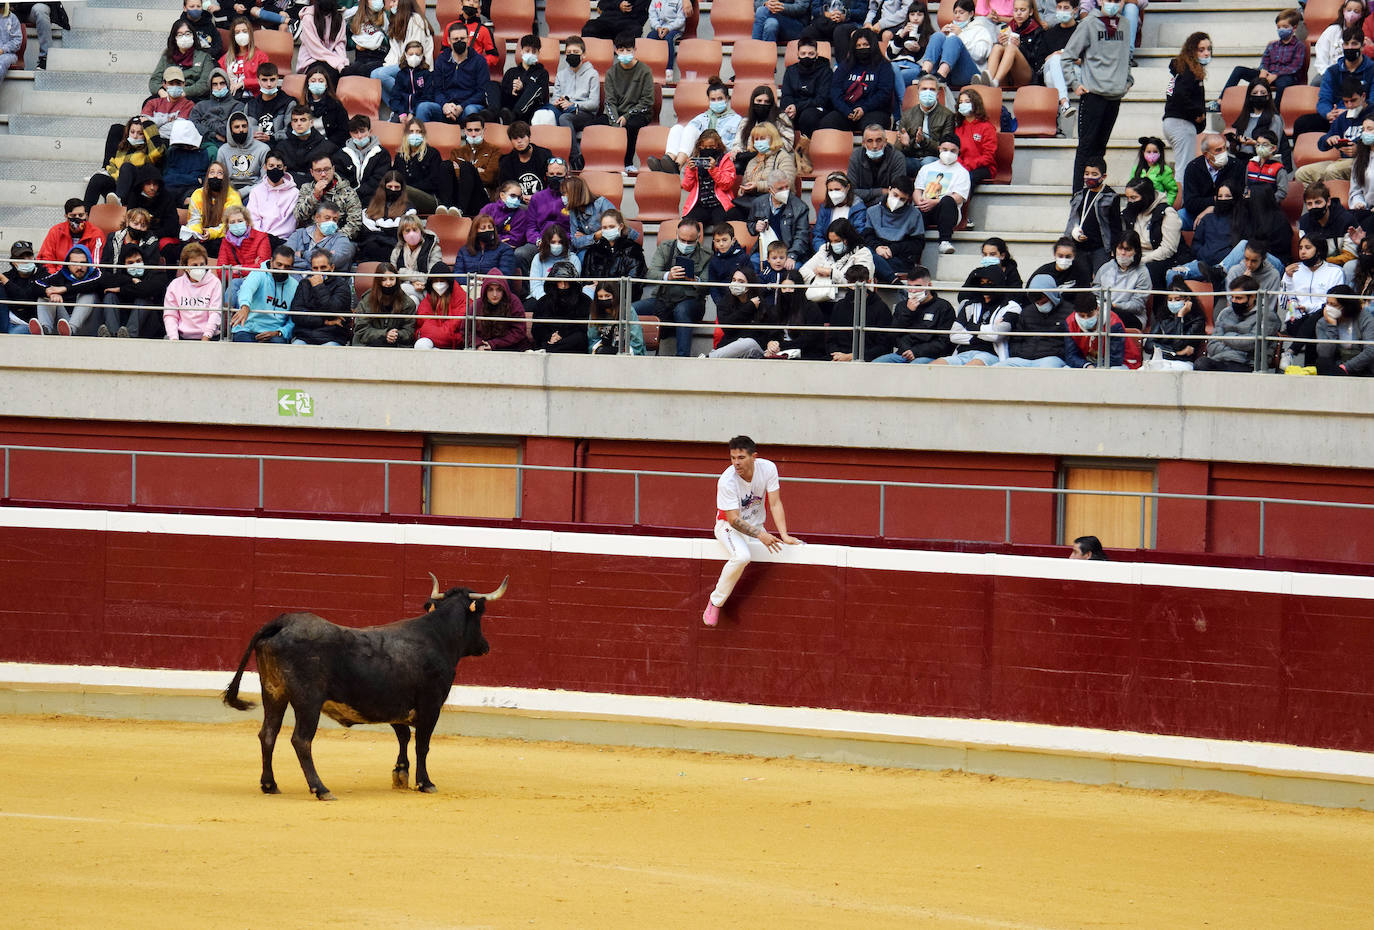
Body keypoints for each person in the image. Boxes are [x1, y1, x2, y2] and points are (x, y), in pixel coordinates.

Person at [703, 435, 801, 626]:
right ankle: (715, 602)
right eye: (732, 458)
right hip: (728, 528)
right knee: (741, 557)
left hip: (756, 527)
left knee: (787, 549)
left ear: (754, 457)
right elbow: (733, 519)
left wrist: (784, 534)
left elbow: (775, 502)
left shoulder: (768, 468)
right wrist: (761, 535)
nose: (736, 463)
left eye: (741, 458)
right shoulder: (726, 481)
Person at [1064, 0, 1132, 194]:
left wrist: (1127, 80)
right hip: (1093, 95)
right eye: (1109, 0)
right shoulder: (1089, 23)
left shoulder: (1125, 24)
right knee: (1086, 147)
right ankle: (1077, 195)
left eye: (1117, 0)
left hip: (1114, 95)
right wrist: (1075, 84)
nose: (1113, 3)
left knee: (1101, 148)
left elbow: (1126, 55)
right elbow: (1067, 56)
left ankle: (1094, 192)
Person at [635, 217, 711, 356]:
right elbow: (650, 273)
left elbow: (708, 287)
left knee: (681, 311)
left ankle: (682, 358)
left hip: (691, 302)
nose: (686, 244)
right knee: (632, 310)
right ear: (676, 234)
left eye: (690, 241)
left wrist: (695, 280)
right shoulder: (665, 247)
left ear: (698, 238)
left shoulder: (707, 255)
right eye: (682, 240)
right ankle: (633, 351)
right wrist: (667, 276)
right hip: (663, 299)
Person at [1295, 27, 1374, 139]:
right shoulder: (1332, 71)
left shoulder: (1372, 69)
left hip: (1364, 115)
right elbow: (1323, 100)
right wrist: (1328, 113)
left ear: (1362, 47)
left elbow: (1372, 101)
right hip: (1336, 116)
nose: (1350, 47)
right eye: (1346, 44)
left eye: (1354, 44)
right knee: (1302, 123)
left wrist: (1349, 111)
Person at [654, 77, 743, 174]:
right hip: (701, 152)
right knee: (677, 128)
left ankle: (677, 165)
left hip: (720, 154)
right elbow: (688, 135)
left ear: (726, 99)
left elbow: (737, 145)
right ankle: (669, 159)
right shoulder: (702, 117)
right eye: (713, 99)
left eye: (720, 99)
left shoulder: (737, 119)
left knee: (690, 129)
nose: (716, 102)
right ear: (708, 100)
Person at [1221, 8, 1305, 106]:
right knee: (1239, 70)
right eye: (1278, 27)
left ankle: (1275, 112)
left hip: (1285, 76)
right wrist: (1263, 71)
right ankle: (1221, 100)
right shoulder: (1272, 45)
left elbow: (1294, 66)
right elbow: (1265, 61)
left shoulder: (1299, 46)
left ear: (1294, 28)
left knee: (1282, 84)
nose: (1281, 29)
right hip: (1268, 74)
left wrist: (1276, 75)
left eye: (1285, 27)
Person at [873, 266, 955, 362]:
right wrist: (907, 312)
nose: (913, 291)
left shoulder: (943, 307)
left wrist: (916, 352)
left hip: (929, 355)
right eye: (910, 287)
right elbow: (892, 336)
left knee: (916, 365)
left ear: (929, 285)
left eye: (918, 287)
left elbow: (944, 341)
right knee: (878, 363)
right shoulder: (902, 306)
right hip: (902, 354)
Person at [822, 28, 896, 132]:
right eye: (858, 46)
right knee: (828, 122)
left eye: (866, 45)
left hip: (874, 111)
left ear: (872, 45)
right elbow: (835, 90)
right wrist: (846, 110)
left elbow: (884, 93)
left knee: (871, 128)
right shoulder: (845, 65)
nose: (862, 48)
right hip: (847, 111)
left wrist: (864, 108)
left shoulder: (883, 66)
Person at [1194, 275, 1273, 372]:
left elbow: (1252, 344)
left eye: (1239, 298)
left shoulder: (1267, 316)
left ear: (1252, 297)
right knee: (1201, 364)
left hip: (1247, 364)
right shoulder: (1226, 313)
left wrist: (1225, 337)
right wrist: (1234, 350)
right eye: (1232, 297)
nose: (1234, 301)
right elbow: (1212, 344)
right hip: (1221, 360)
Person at [418, 20, 491, 124]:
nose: (459, 41)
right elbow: (437, 89)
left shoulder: (479, 61)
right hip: (446, 108)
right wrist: (445, 105)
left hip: (468, 107)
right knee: (423, 107)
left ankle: (472, 139)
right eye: (455, 39)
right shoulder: (441, 60)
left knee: (471, 111)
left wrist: (461, 106)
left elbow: (481, 92)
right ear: (448, 41)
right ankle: (422, 139)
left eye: (462, 38)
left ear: (468, 39)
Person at [993, 272, 1071, 367]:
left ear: (1051, 294)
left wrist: (1058, 353)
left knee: (1046, 369)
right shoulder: (1027, 312)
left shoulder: (1069, 312)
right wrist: (1020, 353)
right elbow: (1016, 340)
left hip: (1051, 358)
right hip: (1024, 358)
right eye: (1035, 297)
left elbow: (1071, 343)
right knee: (998, 368)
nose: (1039, 302)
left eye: (1042, 296)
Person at [83, 117, 165, 207]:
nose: (135, 136)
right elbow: (111, 165)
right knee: (97, 178)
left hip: (135, 188)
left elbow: (158, 151)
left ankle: (119, 200)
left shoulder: (148, 151)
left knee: (126, 167)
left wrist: (148, 124)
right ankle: (85, 213)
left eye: (140, 133)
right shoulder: (123, 148)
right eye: (132, 132)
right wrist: (119, 176)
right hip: (118, 182)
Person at [603, 32, 655, 172]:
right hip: (617, 112)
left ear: (635, 50)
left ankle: (627, 163)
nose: (625, 53)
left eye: (628, 50)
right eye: (621, 50)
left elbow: (648, 101)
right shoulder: (611, 73)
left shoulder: (645, 71)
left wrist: (627, 116)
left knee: (631, 125)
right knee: (599, 124)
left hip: (639, 113)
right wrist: (615, 122)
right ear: (616, 51)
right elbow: (610, 102)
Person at [1162, 32, 1210, 183]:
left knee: (1184, 167)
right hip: (1181, 124)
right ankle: (1179, 205)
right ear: (1192, 51)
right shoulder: (1188, 70)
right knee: (1184, 170)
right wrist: (1198, 113)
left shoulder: (1182, 69)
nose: (1206, 53)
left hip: (1172, 122)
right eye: (1201, 50)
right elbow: (1180, 96)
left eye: (1209, 49)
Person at [913, 135, 971, 255]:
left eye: (952, 150)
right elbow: (917, 190)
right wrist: (920, 202)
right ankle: (915, 248)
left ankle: (945, 241)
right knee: (915, 212)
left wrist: (934, 202)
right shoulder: (926, 168)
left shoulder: (962, 172)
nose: (948, 153)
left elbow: (959, 198)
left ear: (958, 151)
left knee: (948, 200)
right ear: (939, 149)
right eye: (945, 149)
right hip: (925, 208)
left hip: (947, 211)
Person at [800, 218, 874, 312]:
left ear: (847, 238)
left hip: (849, 303)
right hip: (820, 298)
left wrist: (831, 273)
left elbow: (859, 282)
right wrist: (818, 279)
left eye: (837, 241)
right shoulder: (826, 248)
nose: (833, 244)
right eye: (831, 241)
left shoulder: (863, 253)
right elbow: (803, 271)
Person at [919, 0, 994, 88]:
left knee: (953, 40)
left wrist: (961, 35)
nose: (957, 16)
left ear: (971, 13)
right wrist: (943, 37)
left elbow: (979, 55)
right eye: (955, 13)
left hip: (969, 74)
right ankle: (924, 74)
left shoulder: (980, 29)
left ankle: (941, 75)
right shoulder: (950, 29)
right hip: (950, 75)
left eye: (961, 12)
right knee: (937, 36)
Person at [371, 0, 435, 103]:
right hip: (401, 64)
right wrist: (387, 66)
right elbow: (394, 52)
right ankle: (396, 110)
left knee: (381, 74)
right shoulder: (396, 21)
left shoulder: (416, 20)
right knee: (375, 75)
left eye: (394, 1)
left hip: (418, 67)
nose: (391, 5)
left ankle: (408, 101)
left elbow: (414, 52)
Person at [550, 36, 600, 169]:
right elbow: (554, 96)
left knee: (564, 118)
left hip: (585, 113)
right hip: (564, 109)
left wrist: (574, 104)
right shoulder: (561, 74)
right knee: (546, 115)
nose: (572, 55)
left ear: (583, 55)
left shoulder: (592, 74)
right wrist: (558, 101)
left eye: (576, 53)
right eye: (569, 53)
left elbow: (594, 104)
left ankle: (574, 158)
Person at [731, 122, 797, 220]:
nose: (758, 142)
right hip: (754, 201)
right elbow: (745, 183)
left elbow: (788, 183)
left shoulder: (783, 157)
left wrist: (758, 186)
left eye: (762, 138)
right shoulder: (752, 161)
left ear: (772, 139)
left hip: (776, 201)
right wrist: (743, 190)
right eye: (756, 139)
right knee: (731, 214)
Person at [231, 244, 296, 343]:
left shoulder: (295, 285)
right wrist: (245, 306)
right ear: (271, 261)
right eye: (279, 264)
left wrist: (279, 332)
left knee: (278, 345)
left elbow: (293, 320)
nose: (282, 269)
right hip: (247, 329)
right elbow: (247, 289)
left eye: (287, 266)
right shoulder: (258, 274)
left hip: (275, 333)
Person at [33, 245, 103, 336]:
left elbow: (94, 283)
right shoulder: (62, 274)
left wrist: (64, 289)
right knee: (45, 296)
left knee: (88, 294)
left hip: (88, 325)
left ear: (89, 263)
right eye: (74, 263)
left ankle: (71, 329)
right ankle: (45, 329)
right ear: (68, 265)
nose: (79, 267)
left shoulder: (96, 274)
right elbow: (36, 284)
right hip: (64, 325)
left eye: (83, 263)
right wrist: (49, 293)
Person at [747, 171, 811, 268]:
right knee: (752, 263)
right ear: (770, 190)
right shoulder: (758, 203)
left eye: (787, 187)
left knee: (794, 269)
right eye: (780, 189)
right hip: (766, 253)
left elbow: (802, 236)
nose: (785, 191)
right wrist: (755, 227)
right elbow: (750, 223)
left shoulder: (800, 207)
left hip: (789, 253)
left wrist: (792, 256)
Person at [864, 177, 923, 282]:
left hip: (899, 258)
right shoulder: (872, 211)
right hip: (876, 253)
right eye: (895, 195)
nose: (897, 201)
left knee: (873, 261)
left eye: (902, 199)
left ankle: (888, 276)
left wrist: (893, 249)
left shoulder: (915, 215)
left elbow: (917, 244)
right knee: (867, 256)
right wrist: (877, 247)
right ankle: (893, 280)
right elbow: (868, 237)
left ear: (908, 199)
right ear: (890, 189)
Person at [161, 242, 223, 341]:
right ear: (185, 267)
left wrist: (206, 337)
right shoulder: (175, 285)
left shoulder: (215, 283)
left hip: (209, 338)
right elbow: (170, 315)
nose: (199, 268)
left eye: (202, 264)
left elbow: (215, 313)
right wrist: (174, 338)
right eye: (194, 265)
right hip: (182, 338)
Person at [1180, 134, 1243, 230]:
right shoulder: (1193, 168)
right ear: (1206, 154)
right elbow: (1190, 202)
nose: (1223, 153)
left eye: (1224, 148)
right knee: (1179, 216)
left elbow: (1239, 198)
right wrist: (1214, 200)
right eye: (1218, 150)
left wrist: (1213, 208)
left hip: (1228, 214)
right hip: (1198, 214)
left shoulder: (1236, 165)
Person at [581, 209, 649, 297]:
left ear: (620, 226)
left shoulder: (633, 250)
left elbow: (635, 283)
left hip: (624, 301)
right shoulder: (593, 251)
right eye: (604, 227)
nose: (608, 230)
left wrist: (608, 289)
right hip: (598, 300)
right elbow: (586, 279)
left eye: (611, 226)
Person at [294, 154, 363, 239]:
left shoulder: (347, 191)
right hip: (310, 237)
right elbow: (298, 216)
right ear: (312, 172)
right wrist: (314, 196)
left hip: (338, 238)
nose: (323, 174)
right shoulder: (306, 189)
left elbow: (355, 223)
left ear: (333, 169)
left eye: (326, 169)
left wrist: (333, 240)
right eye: (318, 171)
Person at [897, 74, 955, 174]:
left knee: (927, 163)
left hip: (934, 159)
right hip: (912, 158)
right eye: (924, 89)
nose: (928, 92)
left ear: (937, 94)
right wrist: (905, 145)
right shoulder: (907, 115)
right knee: (897, 162)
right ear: (918, 92)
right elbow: (897, 149)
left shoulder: (947, 115)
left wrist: (923, 141)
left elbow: (945, 148)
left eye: (932, 89)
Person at [1141, 283, 1205, 370]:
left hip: (1182, 362)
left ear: (1188, 300)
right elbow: (1149, 345)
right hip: (1160, 360)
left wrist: (1180, 317)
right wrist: (1175, 353)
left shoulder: (1197, 321)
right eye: (1170, 300)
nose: (1173, 303)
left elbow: (1178, 344)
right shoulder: (1163, 318)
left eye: (1177, 299)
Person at [218, 204, 272, 307]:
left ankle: (228, 319)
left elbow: (263, 265)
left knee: (236, 284)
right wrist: (252, 266)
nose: (236, 224)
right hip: (234, 283)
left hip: (257, 280)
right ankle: (228, 320)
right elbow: (221, 271)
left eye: (240, 221)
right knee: (235, 284)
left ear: (247, 222)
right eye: (232, 222)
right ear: (227, 225)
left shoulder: (261, 237)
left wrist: (238, 269)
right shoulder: (226, 241)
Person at [529, 260, 590, 352]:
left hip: (573, 343)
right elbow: (537, 328)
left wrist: (562, 334)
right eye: (559, 281)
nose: (563, 285)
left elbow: (585, 327)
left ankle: (547, 350)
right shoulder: (543, 302)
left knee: (579, 338)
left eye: (567, 281)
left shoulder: (584, 300)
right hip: (549, 341)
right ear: (553, 282)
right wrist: (550, 337)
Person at [351, 263, 417, 347]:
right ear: (377, 281)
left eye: (392, 279)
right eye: (384, 279)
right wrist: (384, 334)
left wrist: (396, 334)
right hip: (369, 344)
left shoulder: (407, 303)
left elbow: (409, 331)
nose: (388, 283)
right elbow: (361, 330)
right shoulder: (367, 301)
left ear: (397, 279)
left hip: (397, 344)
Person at [708, 267, 770, 358]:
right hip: (733, 346)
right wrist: (749, 307)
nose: (736, 284)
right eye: (734, 280)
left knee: (748, 342)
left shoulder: (760, 303)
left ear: (750, 285)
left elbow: (758, 334)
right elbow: (727, 328)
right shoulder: (725, 302)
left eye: (741, 281)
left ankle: (709, 357)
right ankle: (713, 356)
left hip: (755, 348)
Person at [779, 35, 833, 138]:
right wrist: (790, 106)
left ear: (817, 55)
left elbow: (822, 99)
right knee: (778, 116)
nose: (806, 57)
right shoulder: (791, 70)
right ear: (797, 55)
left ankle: (807, 149)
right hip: (795, 109)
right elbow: (786, 95)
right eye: (803, 54)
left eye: (811, 54)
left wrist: (797, 107)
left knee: (808, 116)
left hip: (816, 109)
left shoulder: (826, 71)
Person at [985, 0, 1045, 90]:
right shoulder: (1007, 27)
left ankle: (995, 81)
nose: (1019, 13)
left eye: (1022, 10)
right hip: (1007, 75)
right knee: (997, 47)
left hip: (1027, 75)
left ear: (1031, 12)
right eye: (1016, 10)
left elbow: (1037, 62)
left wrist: (1020, 46)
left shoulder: (1038, 31)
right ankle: (988, 80)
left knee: (1011, 48)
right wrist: (1001, 43)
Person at [148, 21, 215, 102]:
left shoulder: (204, 57)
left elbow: (204, 84)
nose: (184, 37)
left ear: (193, 36)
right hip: (167, 95)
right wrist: (161, 92)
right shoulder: (167, 57)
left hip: (192, 97)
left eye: (187, 34)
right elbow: (154, 81)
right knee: (149, 102)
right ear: (174, 38)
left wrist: (183, 93)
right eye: (180, 35)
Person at [1315, 284, 1374, 375]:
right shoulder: (1322, 323)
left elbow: (1370, 350)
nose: (1328, 308)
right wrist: (1331, 325)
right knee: (1322, 362)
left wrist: (1346, 367)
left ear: (1346, 306)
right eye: (1327, 303)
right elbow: (1324, 354)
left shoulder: (1364, 318)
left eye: (1333, 305)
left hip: (1362, 366)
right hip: (1338, 365)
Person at [1063, 290, 1131, 368]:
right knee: (1066, 369)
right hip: (1086, 364)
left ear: (1098, 309)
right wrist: (1087, 366)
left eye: (1089, 315)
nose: (1086, 319)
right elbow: (1071, 356)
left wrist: (1094, 368)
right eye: (1081, 316)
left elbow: (1115, 359)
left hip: (1119, 363)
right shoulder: (1070, 323)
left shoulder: (1113, 323)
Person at [681, 130, 737, 226]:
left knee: (720, 227)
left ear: (718, 146)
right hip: (700, 205)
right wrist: (691, 171)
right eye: (704, 147)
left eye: (711, 147)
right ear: (700, 146)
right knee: (687, 225)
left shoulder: (725, 160)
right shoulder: (695, 160)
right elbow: (687, 187)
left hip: (719, 205)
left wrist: (714, 170)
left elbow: (727, 184)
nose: (707, 149)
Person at [37, 199, 106, 276]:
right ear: (66, 216)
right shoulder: (56, 231)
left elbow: (95, 265)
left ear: (86, 215)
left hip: (84, 278)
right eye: (73, 216)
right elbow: (46, 259)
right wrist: (55, 277)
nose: (77, 219)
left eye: (81, 215)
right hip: (58, 276)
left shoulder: (96, 234)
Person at [392, 119, 452, 206]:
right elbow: (395, 177)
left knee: (403, 190)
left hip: (429, 197)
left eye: (418, 132)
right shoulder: (400, 156)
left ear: (423, 135)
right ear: (406, 134)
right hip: (404, 196)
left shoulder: (432, 153)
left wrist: (410, 188)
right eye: (411, 132)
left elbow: (434, 182)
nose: (414, 135)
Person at [185, 161, 241, 254]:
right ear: (207, 177)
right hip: (202, 237)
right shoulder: (198, 194)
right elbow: (194, 220)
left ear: (225, 178)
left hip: (223, 238)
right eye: (212, 172)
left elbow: (230, 225)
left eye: (220, 173)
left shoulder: (233, 197)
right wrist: (198, 233)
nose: (215, 176)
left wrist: (211, 233)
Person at [285, 199, 356, 271]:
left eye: (335, 219)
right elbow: (285, 257)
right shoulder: (298, 234)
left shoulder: (341, 240)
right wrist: (316, 264)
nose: (331, 222)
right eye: (327, 218)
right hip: (295, 278)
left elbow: (335, 260)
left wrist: (303, 254)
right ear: (317, 218)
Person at [244, 152, 298, 242]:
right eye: (271, 166)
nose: (275, 169)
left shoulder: (294, 193)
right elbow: (253, 218)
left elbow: (289, 224)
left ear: (284, 169)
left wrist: (270, 239)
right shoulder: (256, 191)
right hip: (258, 239)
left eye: (279, 166)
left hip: (282, 240)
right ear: (265, 167)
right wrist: (262, 237)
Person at [848, 123, 906, 206]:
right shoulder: (855, 157)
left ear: (885, 142)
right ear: (863, 143)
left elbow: (897, 193)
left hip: (887, 207)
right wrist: (880, 191)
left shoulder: (897, 158)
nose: (874, 146)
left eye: (878, 140)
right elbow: (851, 192)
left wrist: (869, 201)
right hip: (860, 206)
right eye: (870, 141)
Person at [1041, 0, 1082, 118]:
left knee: (1057, 61)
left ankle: (1062, 106)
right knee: (1054, 60)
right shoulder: (1049, 33)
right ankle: (1064, 102)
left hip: (1075, 71)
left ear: (1075, 10)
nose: (1061, 11)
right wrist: (1055, 56)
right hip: (1051, 72)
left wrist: (1067, 57)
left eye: (1066, 8)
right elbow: (1041, 60)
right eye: (1059, 7)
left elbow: (1087, 59)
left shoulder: (1081, 31)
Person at [280, 105, 339, 187]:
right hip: (287, 190)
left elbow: (332, 175)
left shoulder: (328, 147)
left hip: (317, 191)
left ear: (311, 123)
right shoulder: (282, 147)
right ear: (292, 124)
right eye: (295, 120)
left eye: (303, 120)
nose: (299, 124)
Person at [336, 116, 390, 205]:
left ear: (370, 131)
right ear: (350, 134)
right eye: (355, 132)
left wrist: (358, 193)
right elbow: (340, 178)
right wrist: (350, 195)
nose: (359, 136)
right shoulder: (341, 155)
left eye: (362, 131)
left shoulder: (382, 154)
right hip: (347, 199)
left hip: (374, 199)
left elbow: (379, 179)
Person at [813, 173, 871, 253]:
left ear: (847, 187)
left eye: (837, 189)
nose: (834, 193)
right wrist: (824, 250)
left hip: (850, 252)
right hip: (825, 252)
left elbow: (859, 234)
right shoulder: (825, 208)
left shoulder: (858, 208)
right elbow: (817, 234)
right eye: (830, 190)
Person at [414, 261, 466, 350]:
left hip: (455, 347)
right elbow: (420, 325)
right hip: (437, 343)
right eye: (435, 281)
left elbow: (457, 328)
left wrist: (431, 332)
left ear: (449, 282)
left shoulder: (462, 299)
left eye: (442, 280)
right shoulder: (428, 300)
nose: (439, 284)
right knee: (421, 344)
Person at [586, 279, 647, 354]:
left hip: (628, 352)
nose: (604, 299)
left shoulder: (627, 310)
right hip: (604, 352)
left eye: (607, 296)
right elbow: (592, 339)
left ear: (615, 296)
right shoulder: (595, 311)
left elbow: (637, 340)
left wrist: (623, 352)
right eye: (600, 296)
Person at [500, 35, 551, 125]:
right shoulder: (511, 72)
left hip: (531, 113)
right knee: (493, 84)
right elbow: (503, 95)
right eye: (527, 51)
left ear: (538, 53)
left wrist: (523, 88)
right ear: (521, 51)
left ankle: (514, 115)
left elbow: (542, 97)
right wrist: (512, 90)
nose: (530, 54)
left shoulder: (542, 73)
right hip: (509, 109)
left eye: (534, 51)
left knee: (534, 87)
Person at [886, 2, 936, 94]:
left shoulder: (930, 35)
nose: (915, 18)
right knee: (892, 71)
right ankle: (902, 104)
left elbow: (928, 61)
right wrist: (901, 36)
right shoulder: (901, 31)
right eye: (912, 14)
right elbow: (889, 55)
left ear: (925, 17)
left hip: (913, 67)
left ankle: (901, 103)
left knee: (895, 77)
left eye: (919, 15)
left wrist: (919, 51)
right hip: (896, 65)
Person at [452, 213, 517, 279]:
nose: (487, 230)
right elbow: (457, 275)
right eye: (483, 228)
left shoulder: (505, 250)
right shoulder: (464, 251)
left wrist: (486, 281)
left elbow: (505, 275)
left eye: (490, 227)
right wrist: (472, 282)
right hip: (469, 287)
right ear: (475, 232)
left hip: (493, 288)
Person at [497, 122, 553, 200]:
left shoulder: (544, 155)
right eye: (515, 138)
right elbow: (505, 190)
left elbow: (553, 184)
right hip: (518, 204)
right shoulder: (506, 162)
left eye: (522, 137)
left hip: (543, 201)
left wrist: (537, 198)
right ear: (511, 140)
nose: (519, 141)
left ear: (529, 137)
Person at [218, 109, 271, 190]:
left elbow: (265, 180)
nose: (241, 130)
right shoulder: (223, 150)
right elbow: (220, 178)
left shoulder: (263, 149)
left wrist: (243, 192)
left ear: (249, 128)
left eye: (244, 126)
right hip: (229, 191)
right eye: (236, 127)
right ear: (230, 130)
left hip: (255, 190)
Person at [161, 118, 210, 205]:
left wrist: (194, 180)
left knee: (193, 199)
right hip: (173, 189)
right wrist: (194, 180)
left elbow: (203, 179)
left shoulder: (204, 153)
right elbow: (168, 178)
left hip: (192, 191)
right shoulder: (173, 151)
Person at [1, 241, 47, 334]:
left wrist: (4, 280)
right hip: (8, 322)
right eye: (21, 258)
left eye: (29, 256)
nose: (26, 260)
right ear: (13, 262)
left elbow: (25, 299)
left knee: (13, 336)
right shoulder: (9, 276)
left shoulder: (43, 275)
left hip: (31, 324)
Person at [385, 40, 434, 123]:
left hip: (418, 111)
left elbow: (428, 96)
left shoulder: (426, 74)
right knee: (393, 125)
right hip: (402, 112)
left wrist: (413, 112)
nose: (414, 57)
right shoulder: (401, 74)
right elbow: (395, 97)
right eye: (411, 54)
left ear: (422, 56)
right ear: (405, 55)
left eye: (417, 54)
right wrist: (402, 113)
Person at [301, 64, 349, 147]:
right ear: (308, 84)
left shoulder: (336, 105)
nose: (317, 84)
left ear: (326, 84)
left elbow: (343, 131)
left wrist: (325, 144)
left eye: (321, 81)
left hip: (329, 145)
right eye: (313, 81)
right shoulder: (302, 105)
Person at [296, 0, 347, 76]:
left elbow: (340, 44)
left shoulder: (339, 17)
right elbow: (315, 49)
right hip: (311, 59)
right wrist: (337, 63)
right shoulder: (308, 17)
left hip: (334, 59)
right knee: (329, 73)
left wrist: (342, 62)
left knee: (348, 73)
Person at [342, 0, 391, 79]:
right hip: (361, 56)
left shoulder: (386, 16)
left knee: (365, 70)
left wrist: (381, 42)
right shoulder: (355, 15)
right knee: (348, 71)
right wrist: (355, 45)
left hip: (379, 56)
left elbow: (392, 39)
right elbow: (346, 40)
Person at [245, 62, 292, 144]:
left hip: (278, 146)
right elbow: (245, 130)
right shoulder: (250, 105)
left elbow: (290, 131)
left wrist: (271, 138)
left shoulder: (288, 103)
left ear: (277, 79)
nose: (269, 84)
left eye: (272, 79)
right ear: (258, 80)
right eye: (264, 80)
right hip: (255, 147)